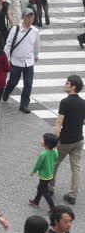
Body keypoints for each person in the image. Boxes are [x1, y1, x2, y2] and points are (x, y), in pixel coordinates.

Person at [50, 75, 85, 205]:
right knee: (76, 168)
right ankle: (72, 195)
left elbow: (59, 122)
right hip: (79, 139)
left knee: (54, 163)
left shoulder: (65, 102)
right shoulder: (83, 102)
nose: (65, 84)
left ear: (73, 87)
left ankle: (49, 187)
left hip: (65, 140)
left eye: (67, 83)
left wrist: (54, 139)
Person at [3, 8, 40, 114]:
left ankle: (24, 105)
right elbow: (8, 44)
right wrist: (6, 58)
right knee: (13, 81)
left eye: (32, 16)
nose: (30, 18)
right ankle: (6, 93)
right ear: (22, 18)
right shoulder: (15, 29)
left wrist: (36, 55)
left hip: (29, 62)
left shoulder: (35, 31)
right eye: (28, 16)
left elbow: (37, 45)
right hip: (16, 61)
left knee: (28, 84)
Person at [29, 133, 58, 212]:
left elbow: (38, 165)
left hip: (43, 176)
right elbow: (56, 158)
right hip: (50, 174)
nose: (40, 140)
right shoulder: (55, 151)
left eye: (42, 139)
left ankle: (53, 208)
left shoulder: (43, 154)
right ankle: (36, 201)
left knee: (45, 192)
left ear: (46, 143)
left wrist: (33, 171)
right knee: (40, 188)